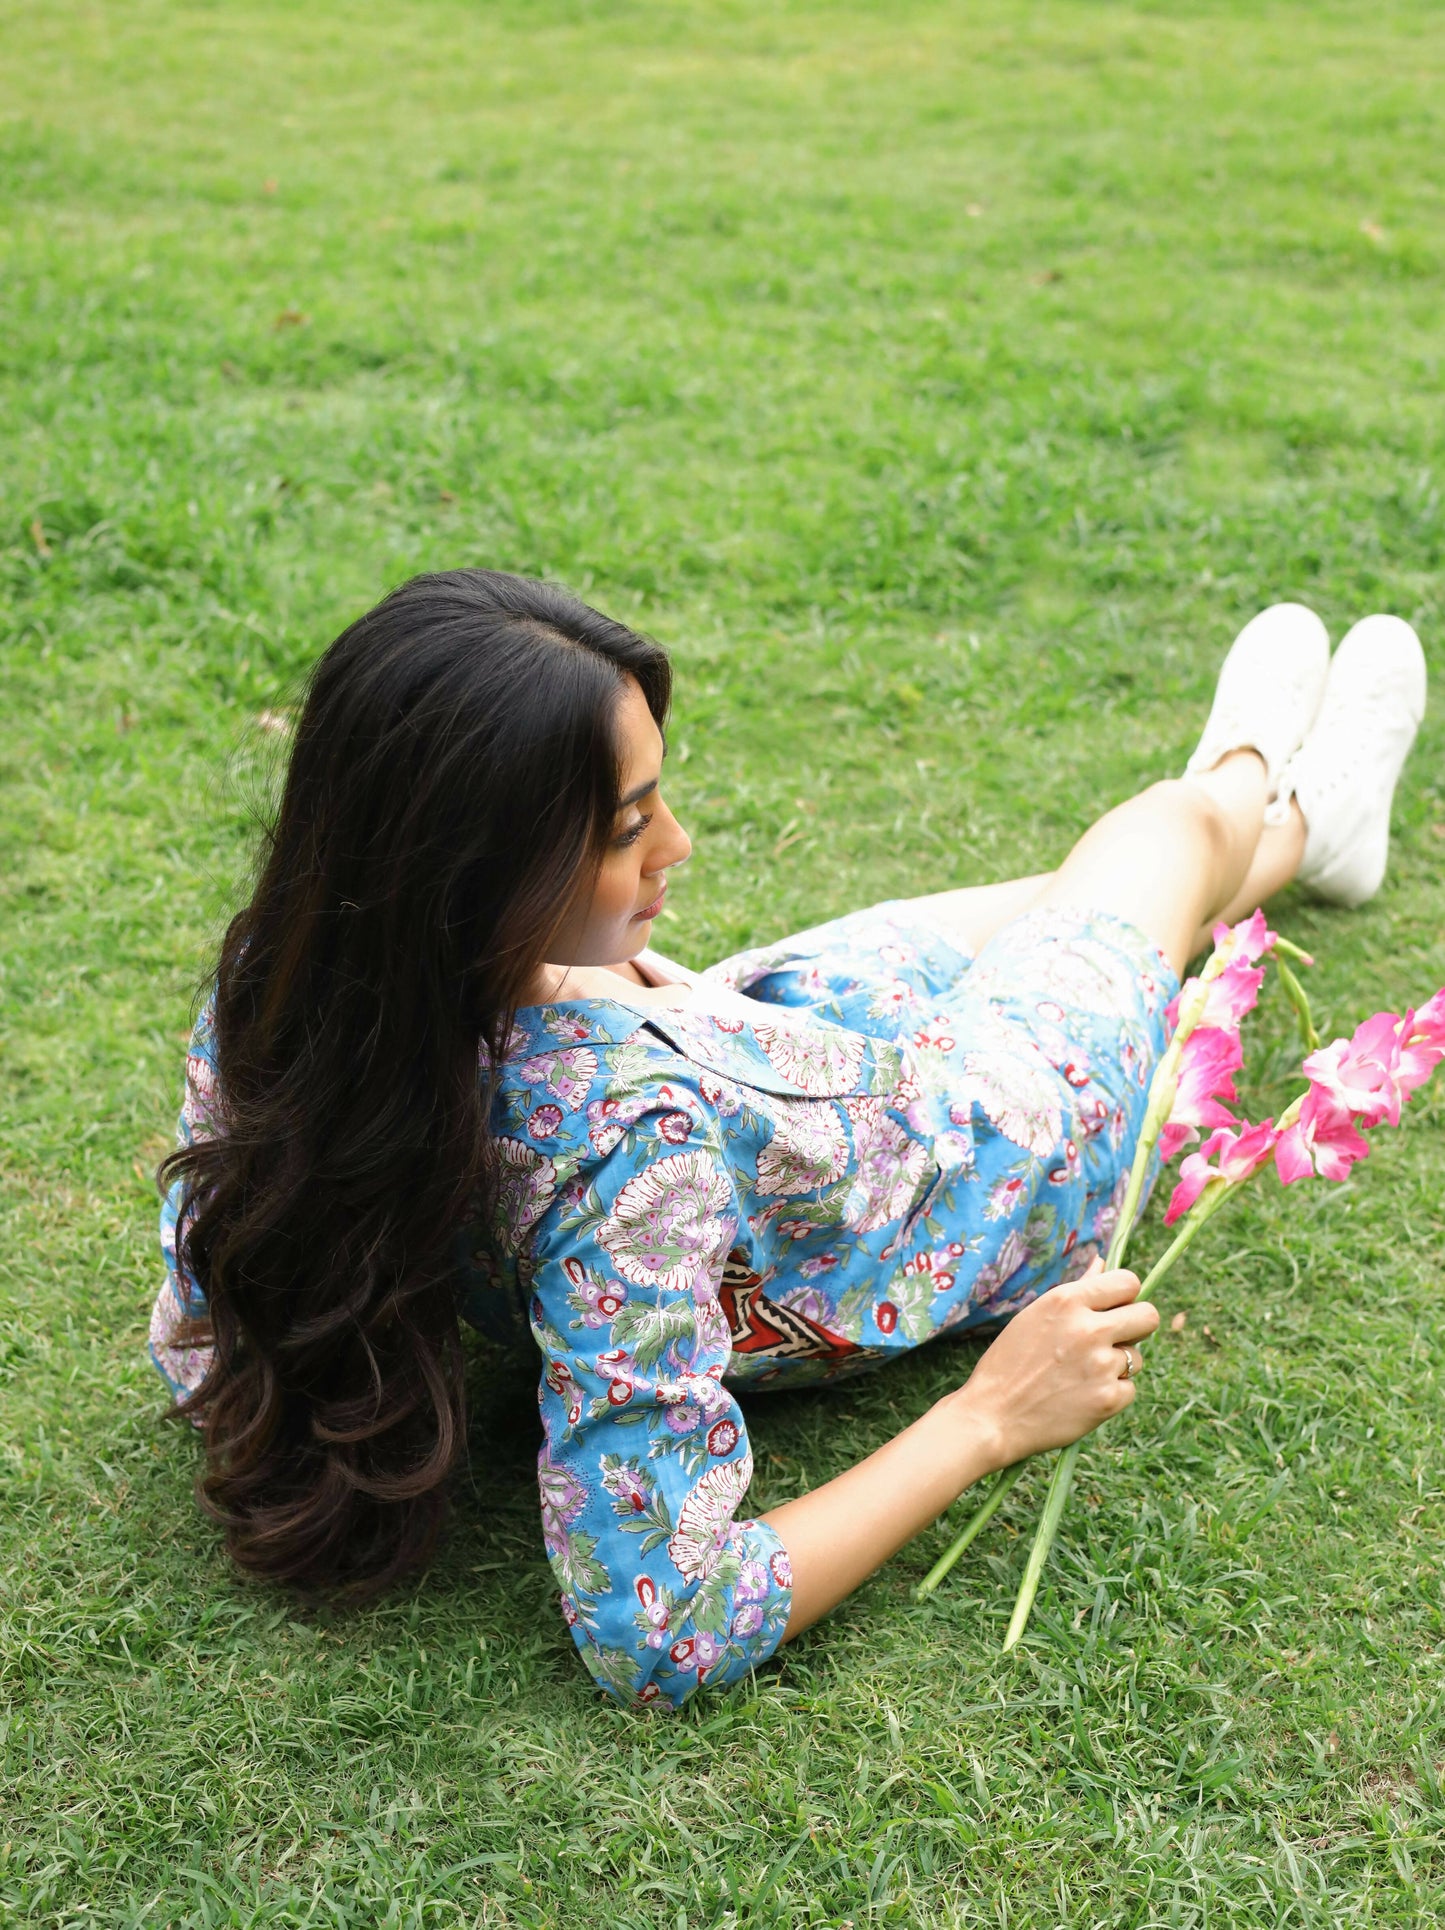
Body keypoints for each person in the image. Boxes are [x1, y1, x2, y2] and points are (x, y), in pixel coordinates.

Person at [150, 570, 1426, 1708]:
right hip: (982, 1147)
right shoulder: (623, 1151)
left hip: (761, 1027)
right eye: (624, 828)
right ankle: (1271, 795)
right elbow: (660, 1628)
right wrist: (985, 1414)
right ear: (473, 875)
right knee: (1157, 834)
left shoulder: (296, 983)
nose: (679, 844)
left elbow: (203, 1328)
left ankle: (1262, 830)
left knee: (1070, 893)